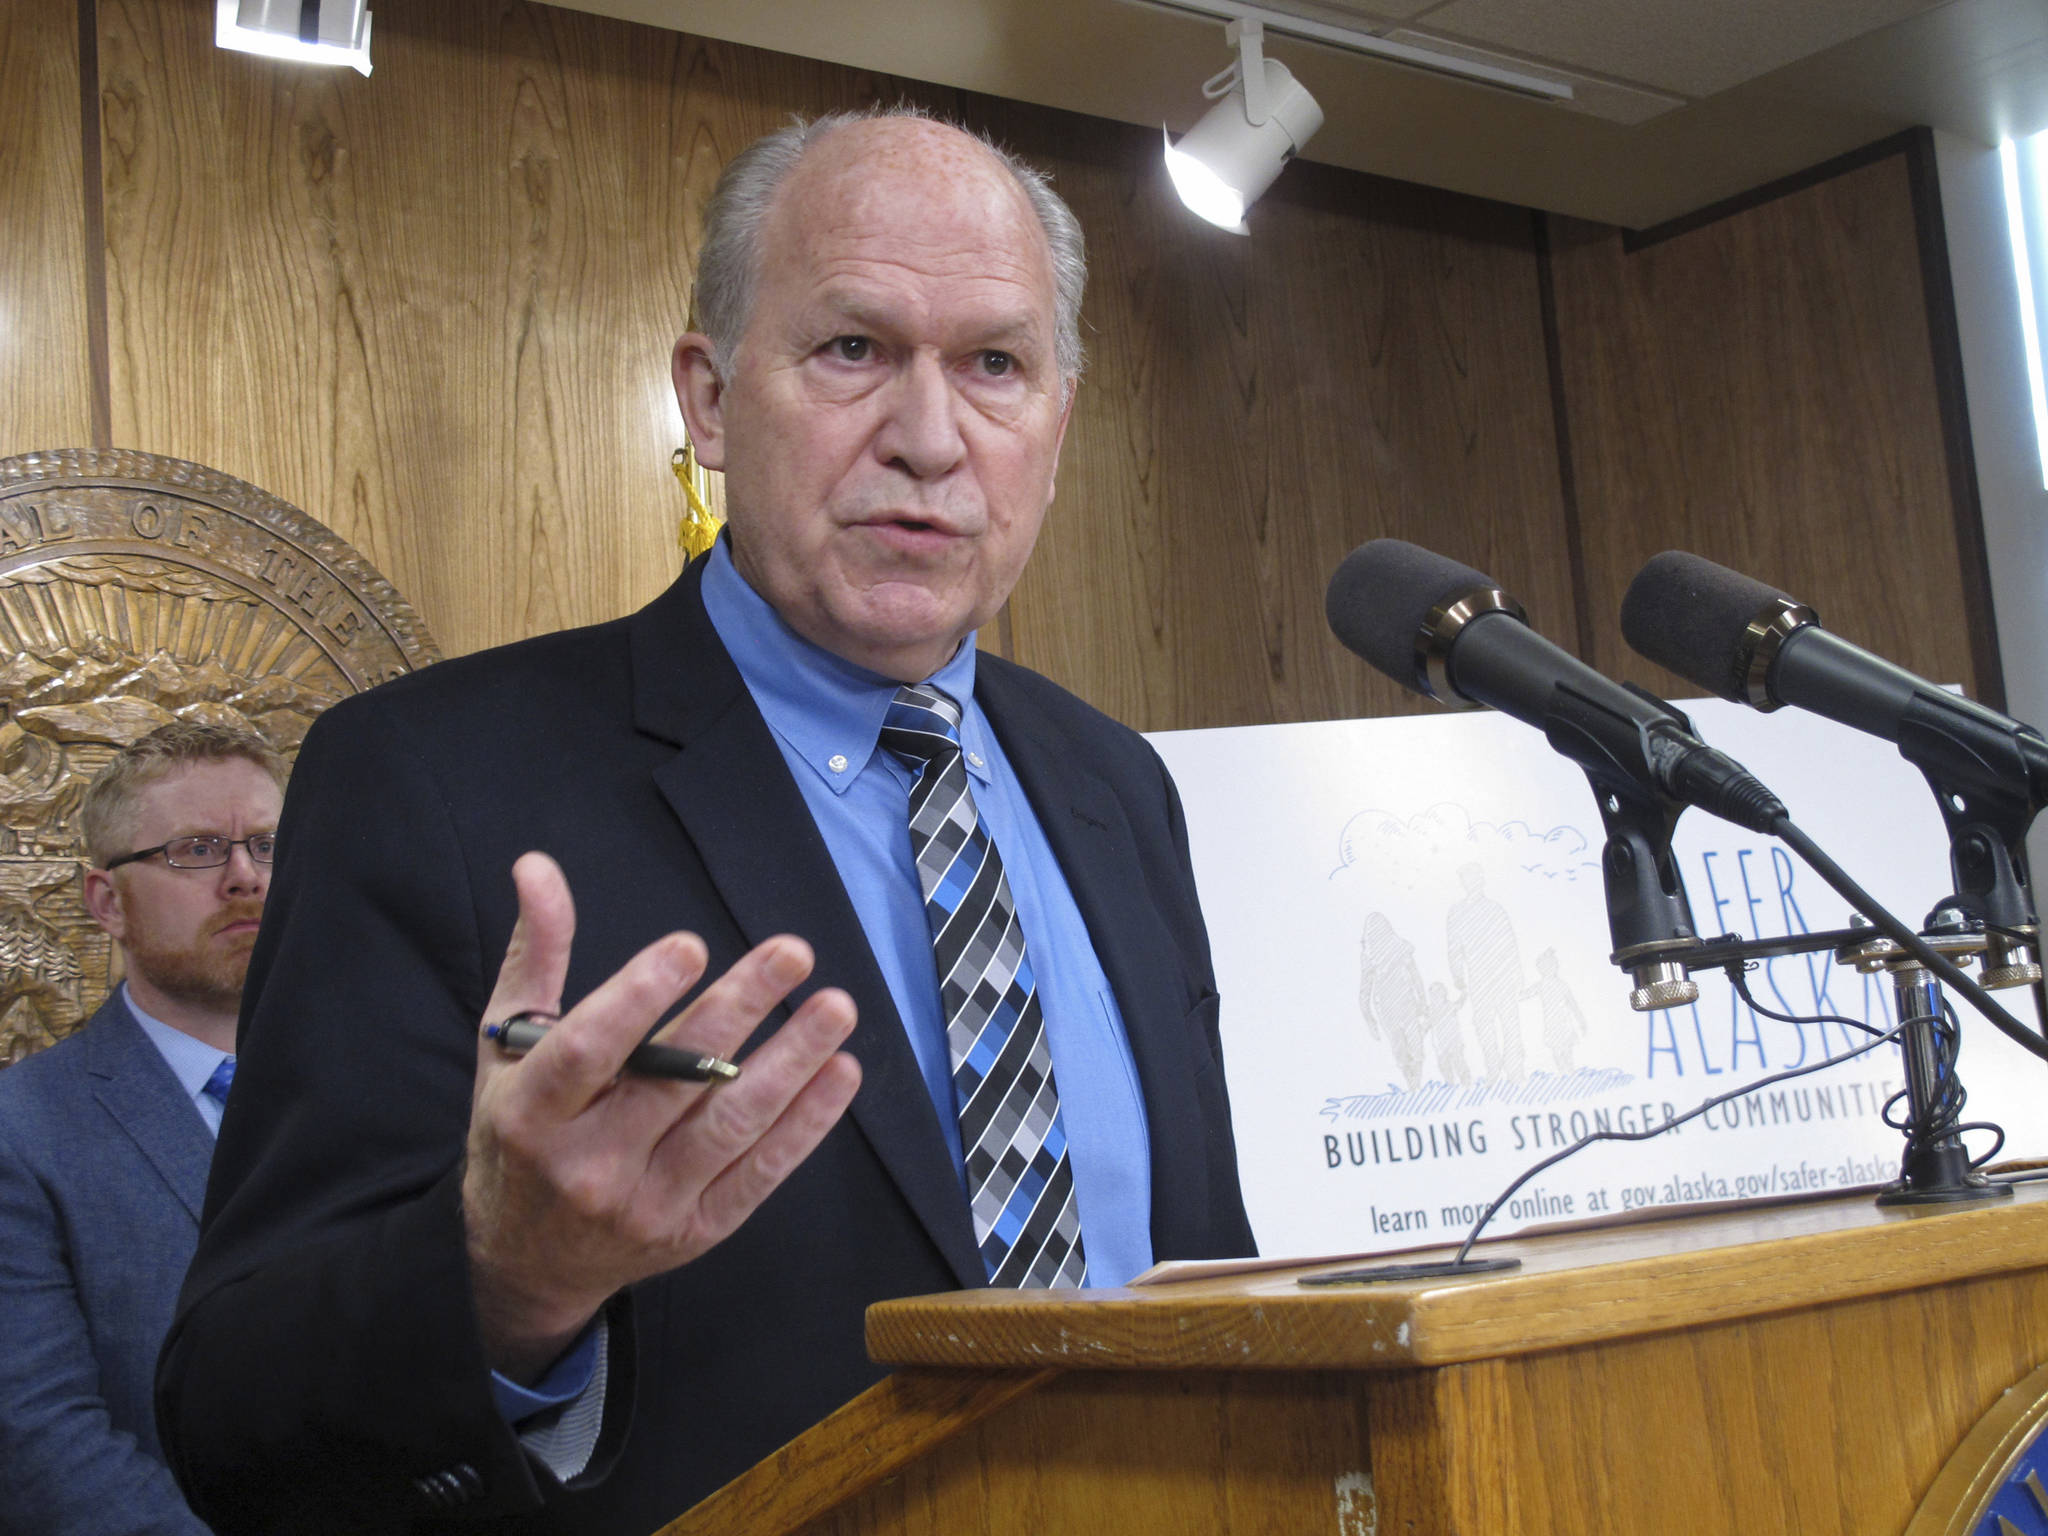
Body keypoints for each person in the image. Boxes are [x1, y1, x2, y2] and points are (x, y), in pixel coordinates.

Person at [159, 110, 1254, 1535]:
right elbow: (232, 1416)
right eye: (853, 349)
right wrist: (506, 1278)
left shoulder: (1115, 783)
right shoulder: (428, 779)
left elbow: (1209, 1264)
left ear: (1055, 422)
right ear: (713, 398)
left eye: (995, 364)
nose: (930, 439)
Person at [0, 722, 285, 1536]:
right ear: (106, 902)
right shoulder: (21, 1134)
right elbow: (41, 1450)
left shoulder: (380, 1092)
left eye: (267, 846)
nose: (244, 878)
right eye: (196, 850)